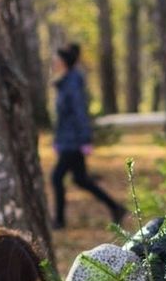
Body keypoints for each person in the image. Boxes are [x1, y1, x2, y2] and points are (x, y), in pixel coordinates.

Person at [50, 43, 126, 230]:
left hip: (74, 141)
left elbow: (80, 113)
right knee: (80, 179)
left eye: (56, 59)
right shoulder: (65, 82)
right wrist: (57, 140)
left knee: (56, 177)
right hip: (67, 140)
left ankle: (59, 221)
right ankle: (116, 208)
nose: (54, 62)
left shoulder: (73, 83)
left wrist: (85, 139)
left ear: (64, 62)